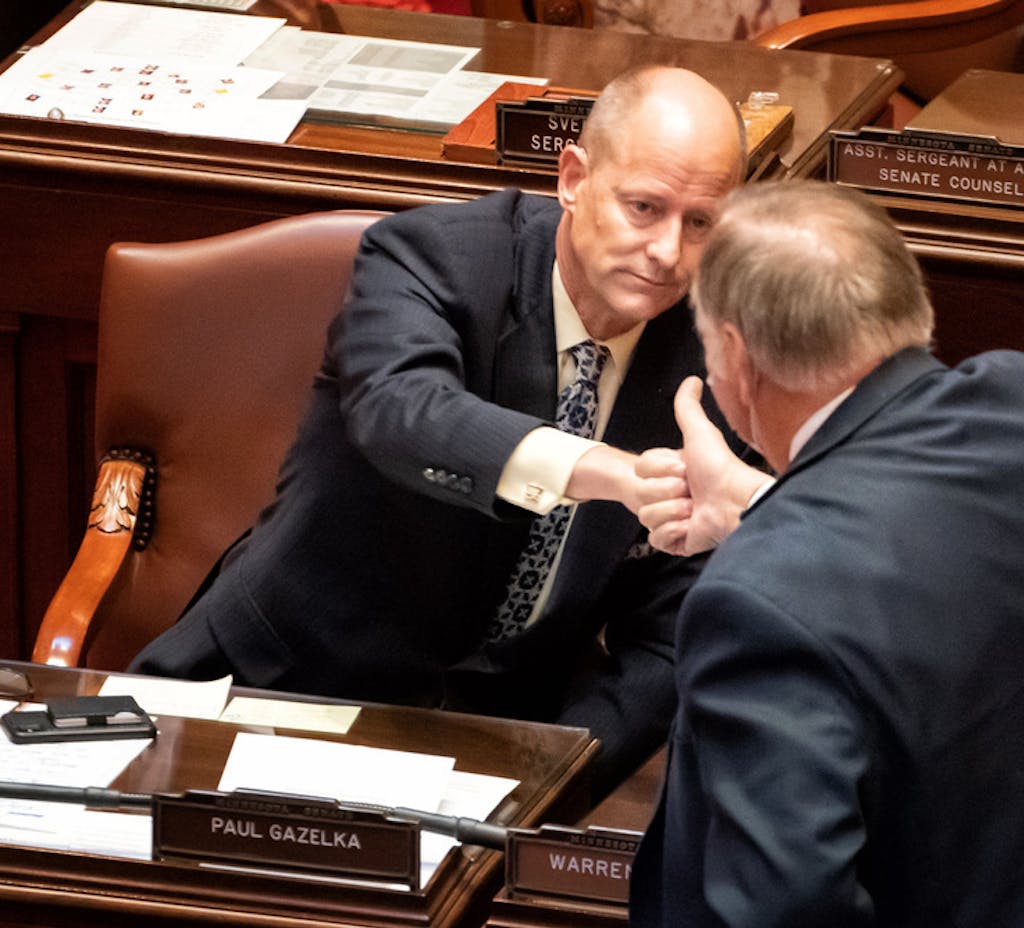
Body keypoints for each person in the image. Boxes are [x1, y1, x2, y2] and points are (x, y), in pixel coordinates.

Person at [628, 180, 1024, 928]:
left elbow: (787, 923)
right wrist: (760, 505)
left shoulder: (757, 599)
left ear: (737, 359)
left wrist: (762, 534)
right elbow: (917, 566)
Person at [129, 65, 748, 797]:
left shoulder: (717, 352)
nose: (668, 253)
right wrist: (606, 472)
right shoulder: (432, 257)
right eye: (644, 207)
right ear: (574, 178)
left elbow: (674, 635)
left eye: (700, 223)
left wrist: (556, 778)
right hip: (290, 684)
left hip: (500, 741)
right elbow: (402, 412)